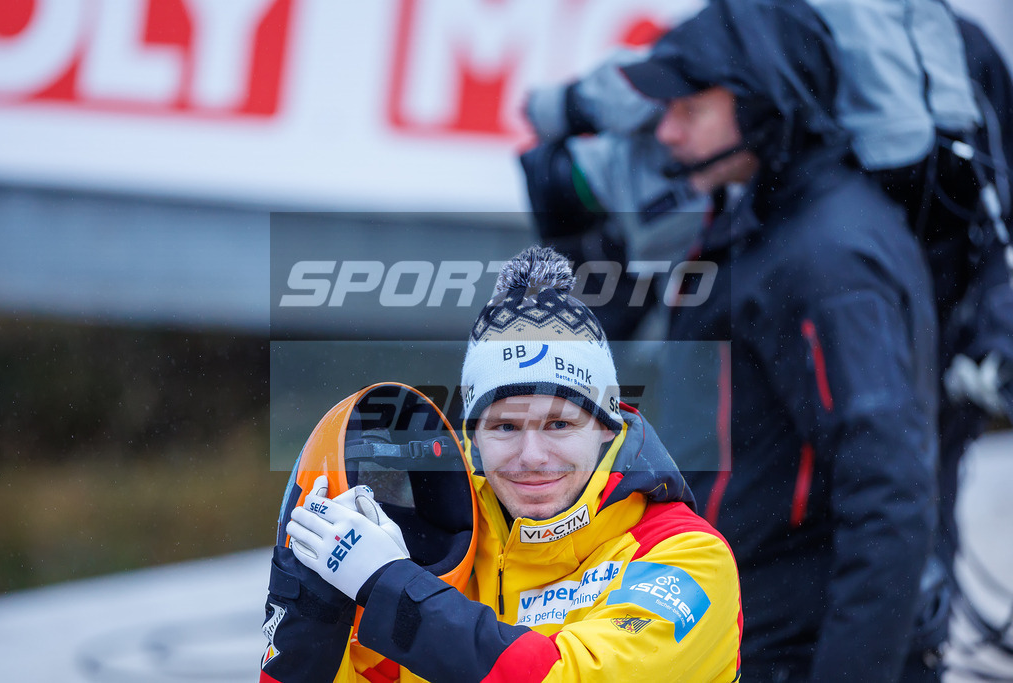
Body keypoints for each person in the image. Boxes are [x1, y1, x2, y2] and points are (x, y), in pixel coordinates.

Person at [611, 1, 942, 680]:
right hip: (738, 630)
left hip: (799, 649)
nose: (666, 132)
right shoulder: (761, 219)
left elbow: (890, 500)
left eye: (691, 109)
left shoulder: (829, 259)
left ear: (766, 104)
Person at [260, 245, 744, 682]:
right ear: (473, 437)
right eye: (505, 427)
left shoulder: (689, 558)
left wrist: (393, 588)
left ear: (606, 428)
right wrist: (312, 613)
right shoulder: (442, 551)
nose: (532, 457)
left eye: (559, 425)